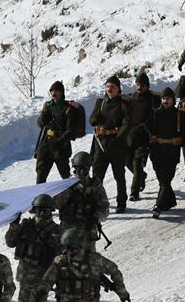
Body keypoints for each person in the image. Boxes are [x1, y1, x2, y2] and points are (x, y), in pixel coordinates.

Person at [6, 194, 62, 302]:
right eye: (39, 210)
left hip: (42, 280)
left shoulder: (57, 232)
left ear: (51, 211)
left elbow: (61, 259)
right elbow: (10, 242)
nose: (42, 213)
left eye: (46, 211)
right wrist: (14, 226)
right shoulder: (26, 226)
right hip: (24, 277)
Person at [148, 87, 185, 218]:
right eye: (163, 98)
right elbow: (148, 130)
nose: (165, 101)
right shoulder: (155, 114)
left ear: (173, 100)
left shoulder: (181, 115)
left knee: (166, 178)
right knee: (162, 180)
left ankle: (158, 206)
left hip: (171, 151)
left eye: (167, 99)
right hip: (157, 151)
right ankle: (169, 201)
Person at [89, 76, 132, 213]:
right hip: (101, 144)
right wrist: (94, 119)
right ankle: (96, 202)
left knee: (119, 175)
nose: (110, 89)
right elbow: (92, 119)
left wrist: (119, 138)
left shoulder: (124, 103)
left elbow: (127, 123)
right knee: (97, 176)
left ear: (118, 89)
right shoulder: (100, 102)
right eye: (107, 86)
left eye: (112, 86)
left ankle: (121, 202)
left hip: (116, 143)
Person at [36, 81, 83, 183]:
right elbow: (40, 124)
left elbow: (70, 130)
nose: (53, 93)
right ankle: (39, 198)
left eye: (56, 91)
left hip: (61, 146)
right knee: (40, 175)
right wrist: (43, 115)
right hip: (46, 145)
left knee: (65, 176)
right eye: (51, 91)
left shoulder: (68, 108)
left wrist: (58, 143)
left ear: (61, 92)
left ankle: (75, 196)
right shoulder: (48, 106)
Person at [126, 72, 158, 202]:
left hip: (145, 135)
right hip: (131, 135)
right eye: (138, 84)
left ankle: (134, 192)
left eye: (142, 85)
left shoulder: (153, 99)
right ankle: (141, 177)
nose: (140, 87)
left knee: (137, 163)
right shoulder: (130, 98)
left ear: (147, 86)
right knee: (127, 160)